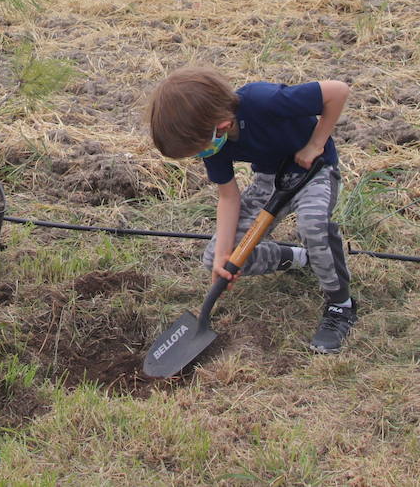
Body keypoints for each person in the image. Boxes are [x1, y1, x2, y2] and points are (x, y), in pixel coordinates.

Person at [147, 66, 358, 353]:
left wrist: (315, 144)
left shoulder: (263, 100)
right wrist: (224, 255)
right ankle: (302, 258)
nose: (201, 155)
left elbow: (337, 91)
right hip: (271, 180)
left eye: (199, 149)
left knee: (312, 224)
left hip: (315, 170)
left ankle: (340, 304)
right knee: (215, 258)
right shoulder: (214, 144)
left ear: (219, 125)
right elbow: (228, 197)